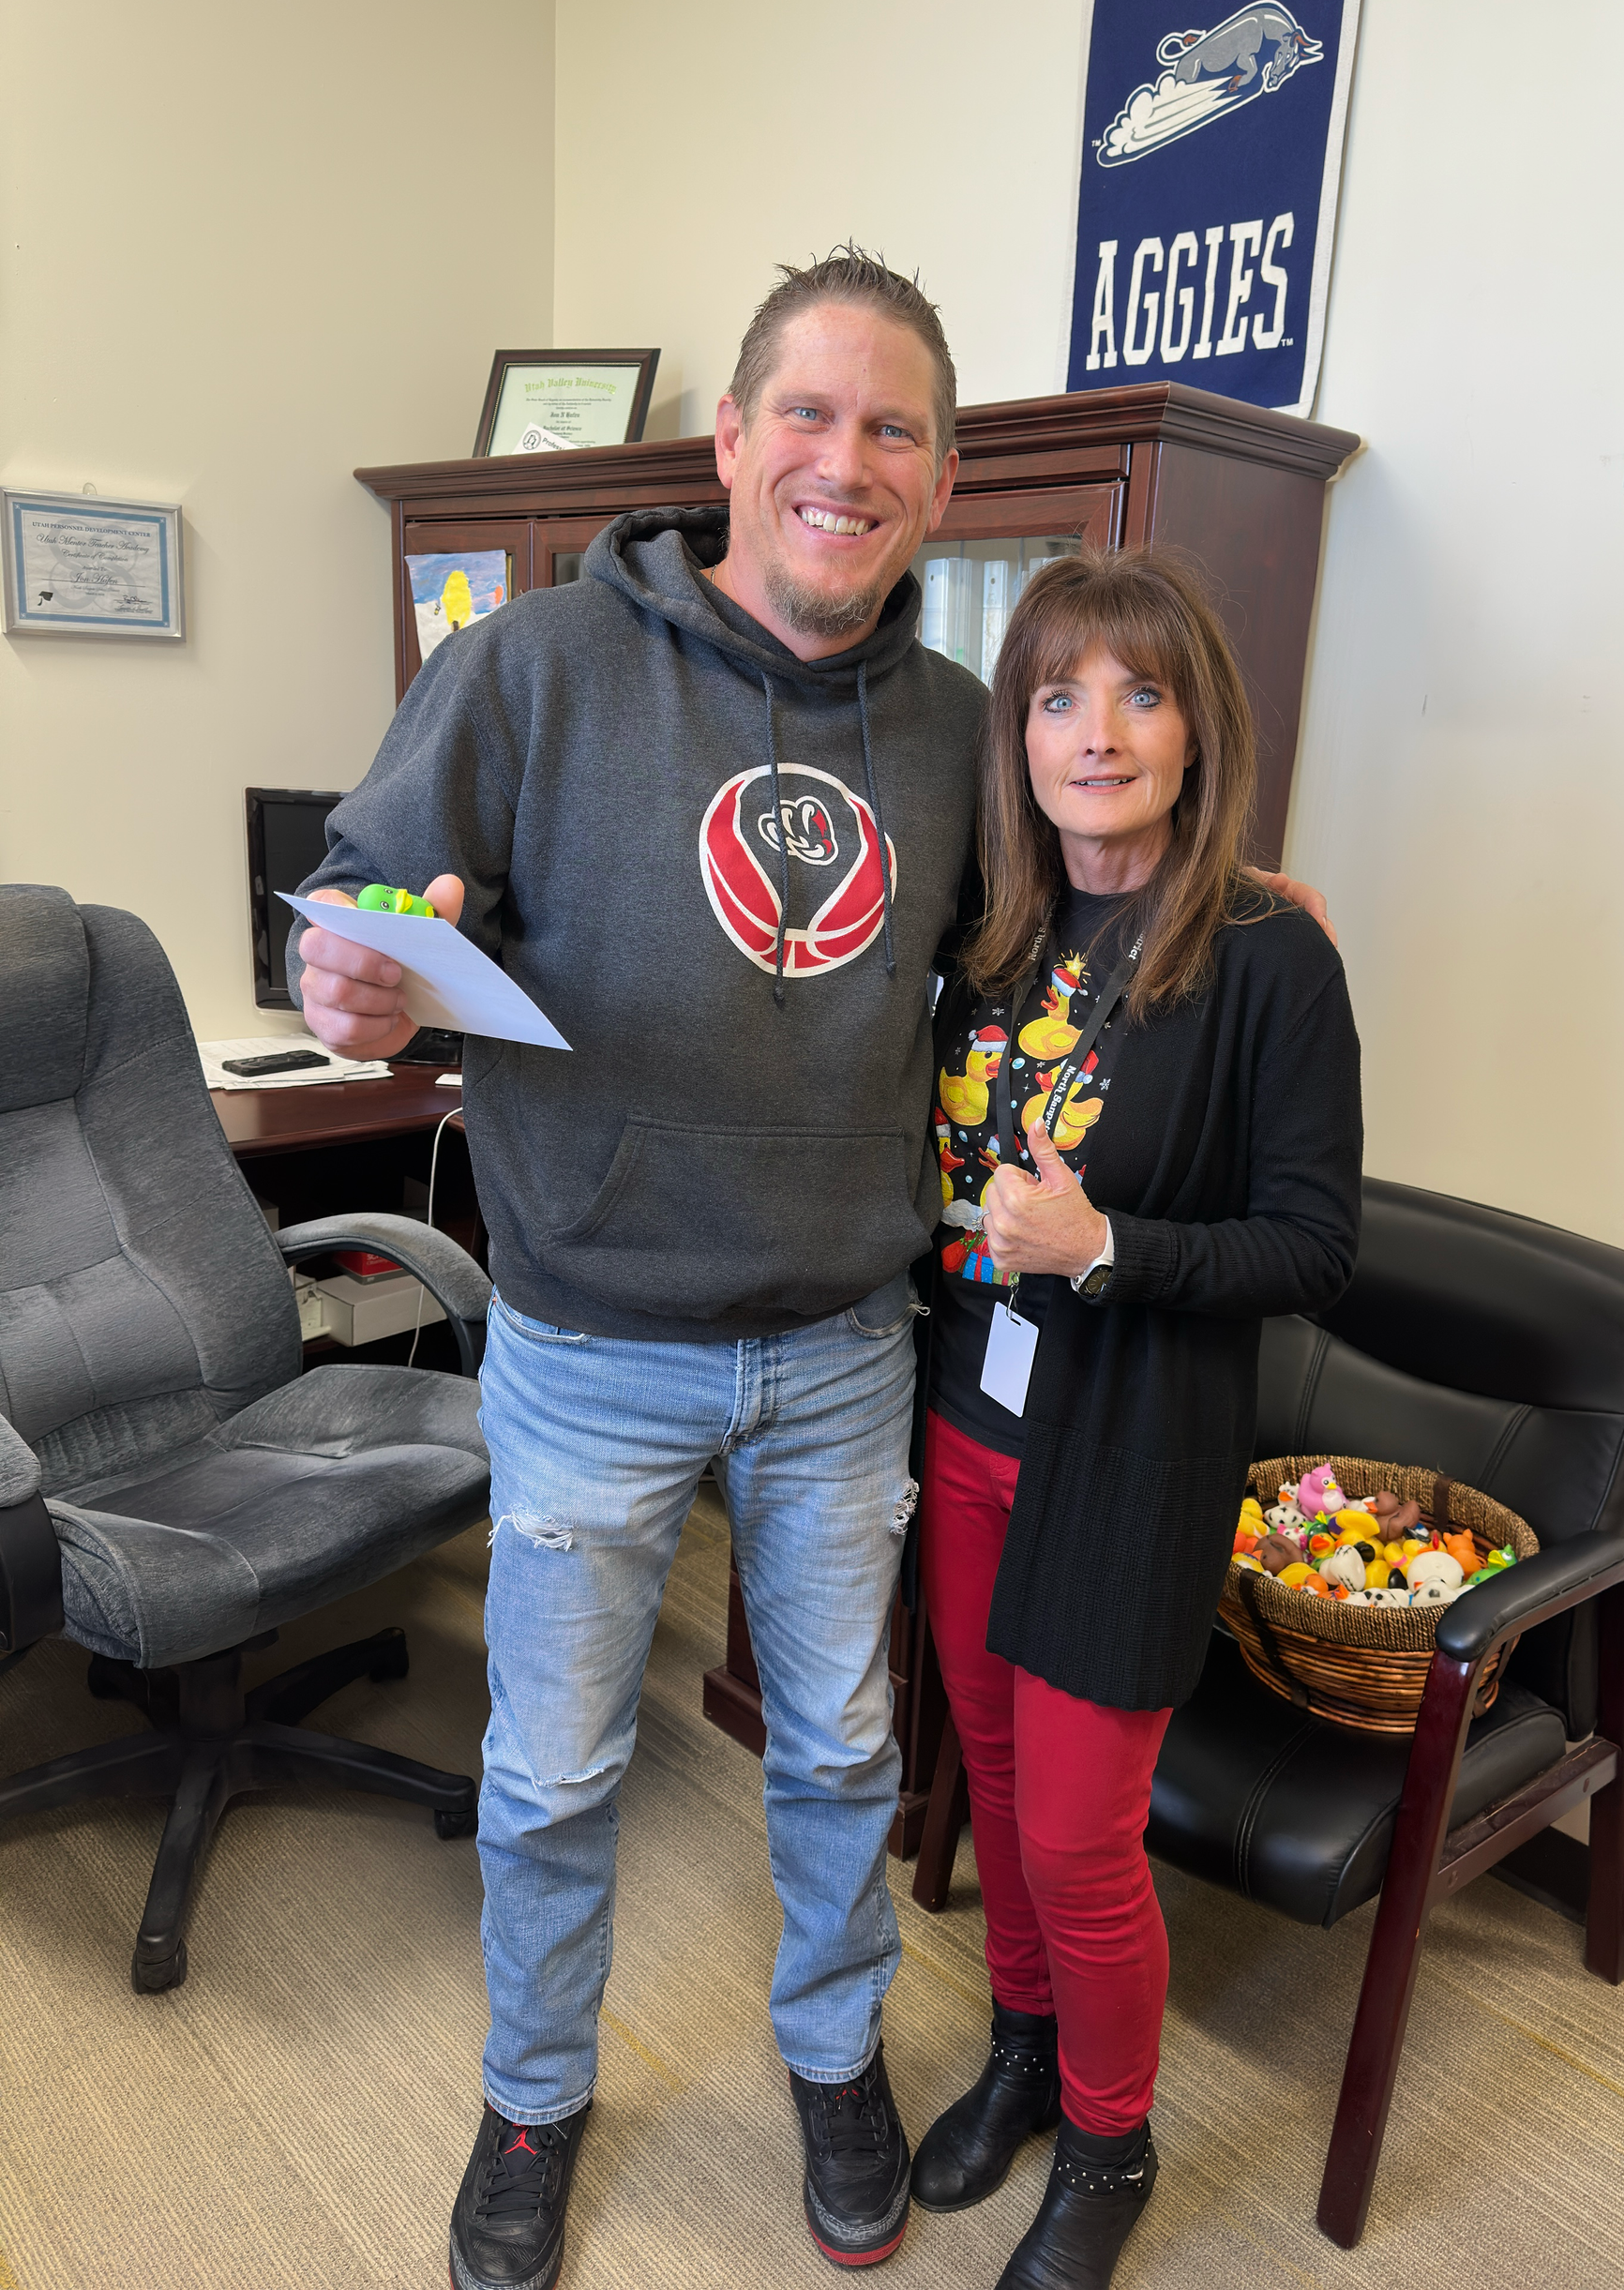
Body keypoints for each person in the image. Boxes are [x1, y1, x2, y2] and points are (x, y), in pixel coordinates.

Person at [293, 250, 1332, 2288]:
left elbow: (1035, 964)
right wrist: (347, 965)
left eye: (896, 431)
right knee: (555, 1764)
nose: (845, 461)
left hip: (852, 1348)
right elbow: (365, 900)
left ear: (942, 482)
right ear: (730, 442)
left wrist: (1231, 885)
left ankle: (834, 2051)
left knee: (848, 1750)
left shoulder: (965, 730)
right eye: (811, 414)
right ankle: (530, 2091)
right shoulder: (531, 667)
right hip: (589, 1342)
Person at [909, 547, 1361, 2290]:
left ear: (1197, 727)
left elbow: (1317, 1248)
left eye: (1141, 693)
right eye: (1057, 695)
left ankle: (1112, 2139)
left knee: (1079, 1836)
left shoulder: (1266, 958)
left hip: (1135, 1456)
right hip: (966, 1424)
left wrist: (1109, 1249)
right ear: (1017, 732)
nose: (1098, 732)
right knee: (999, 1779)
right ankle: (1025, 2052)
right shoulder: (994, 931)